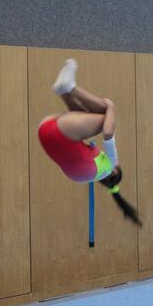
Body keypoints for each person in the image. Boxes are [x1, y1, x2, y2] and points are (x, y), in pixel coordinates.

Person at [38, 58, 142, 227]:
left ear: (115, 172)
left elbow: (108, 133)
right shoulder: (86, 174)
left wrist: (112, 107)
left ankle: (71, 88)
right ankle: (64, 91)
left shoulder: (110, 166)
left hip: (60, 132)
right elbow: (78, 121)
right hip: (45, 131)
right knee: (91, 118)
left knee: (106, 112)